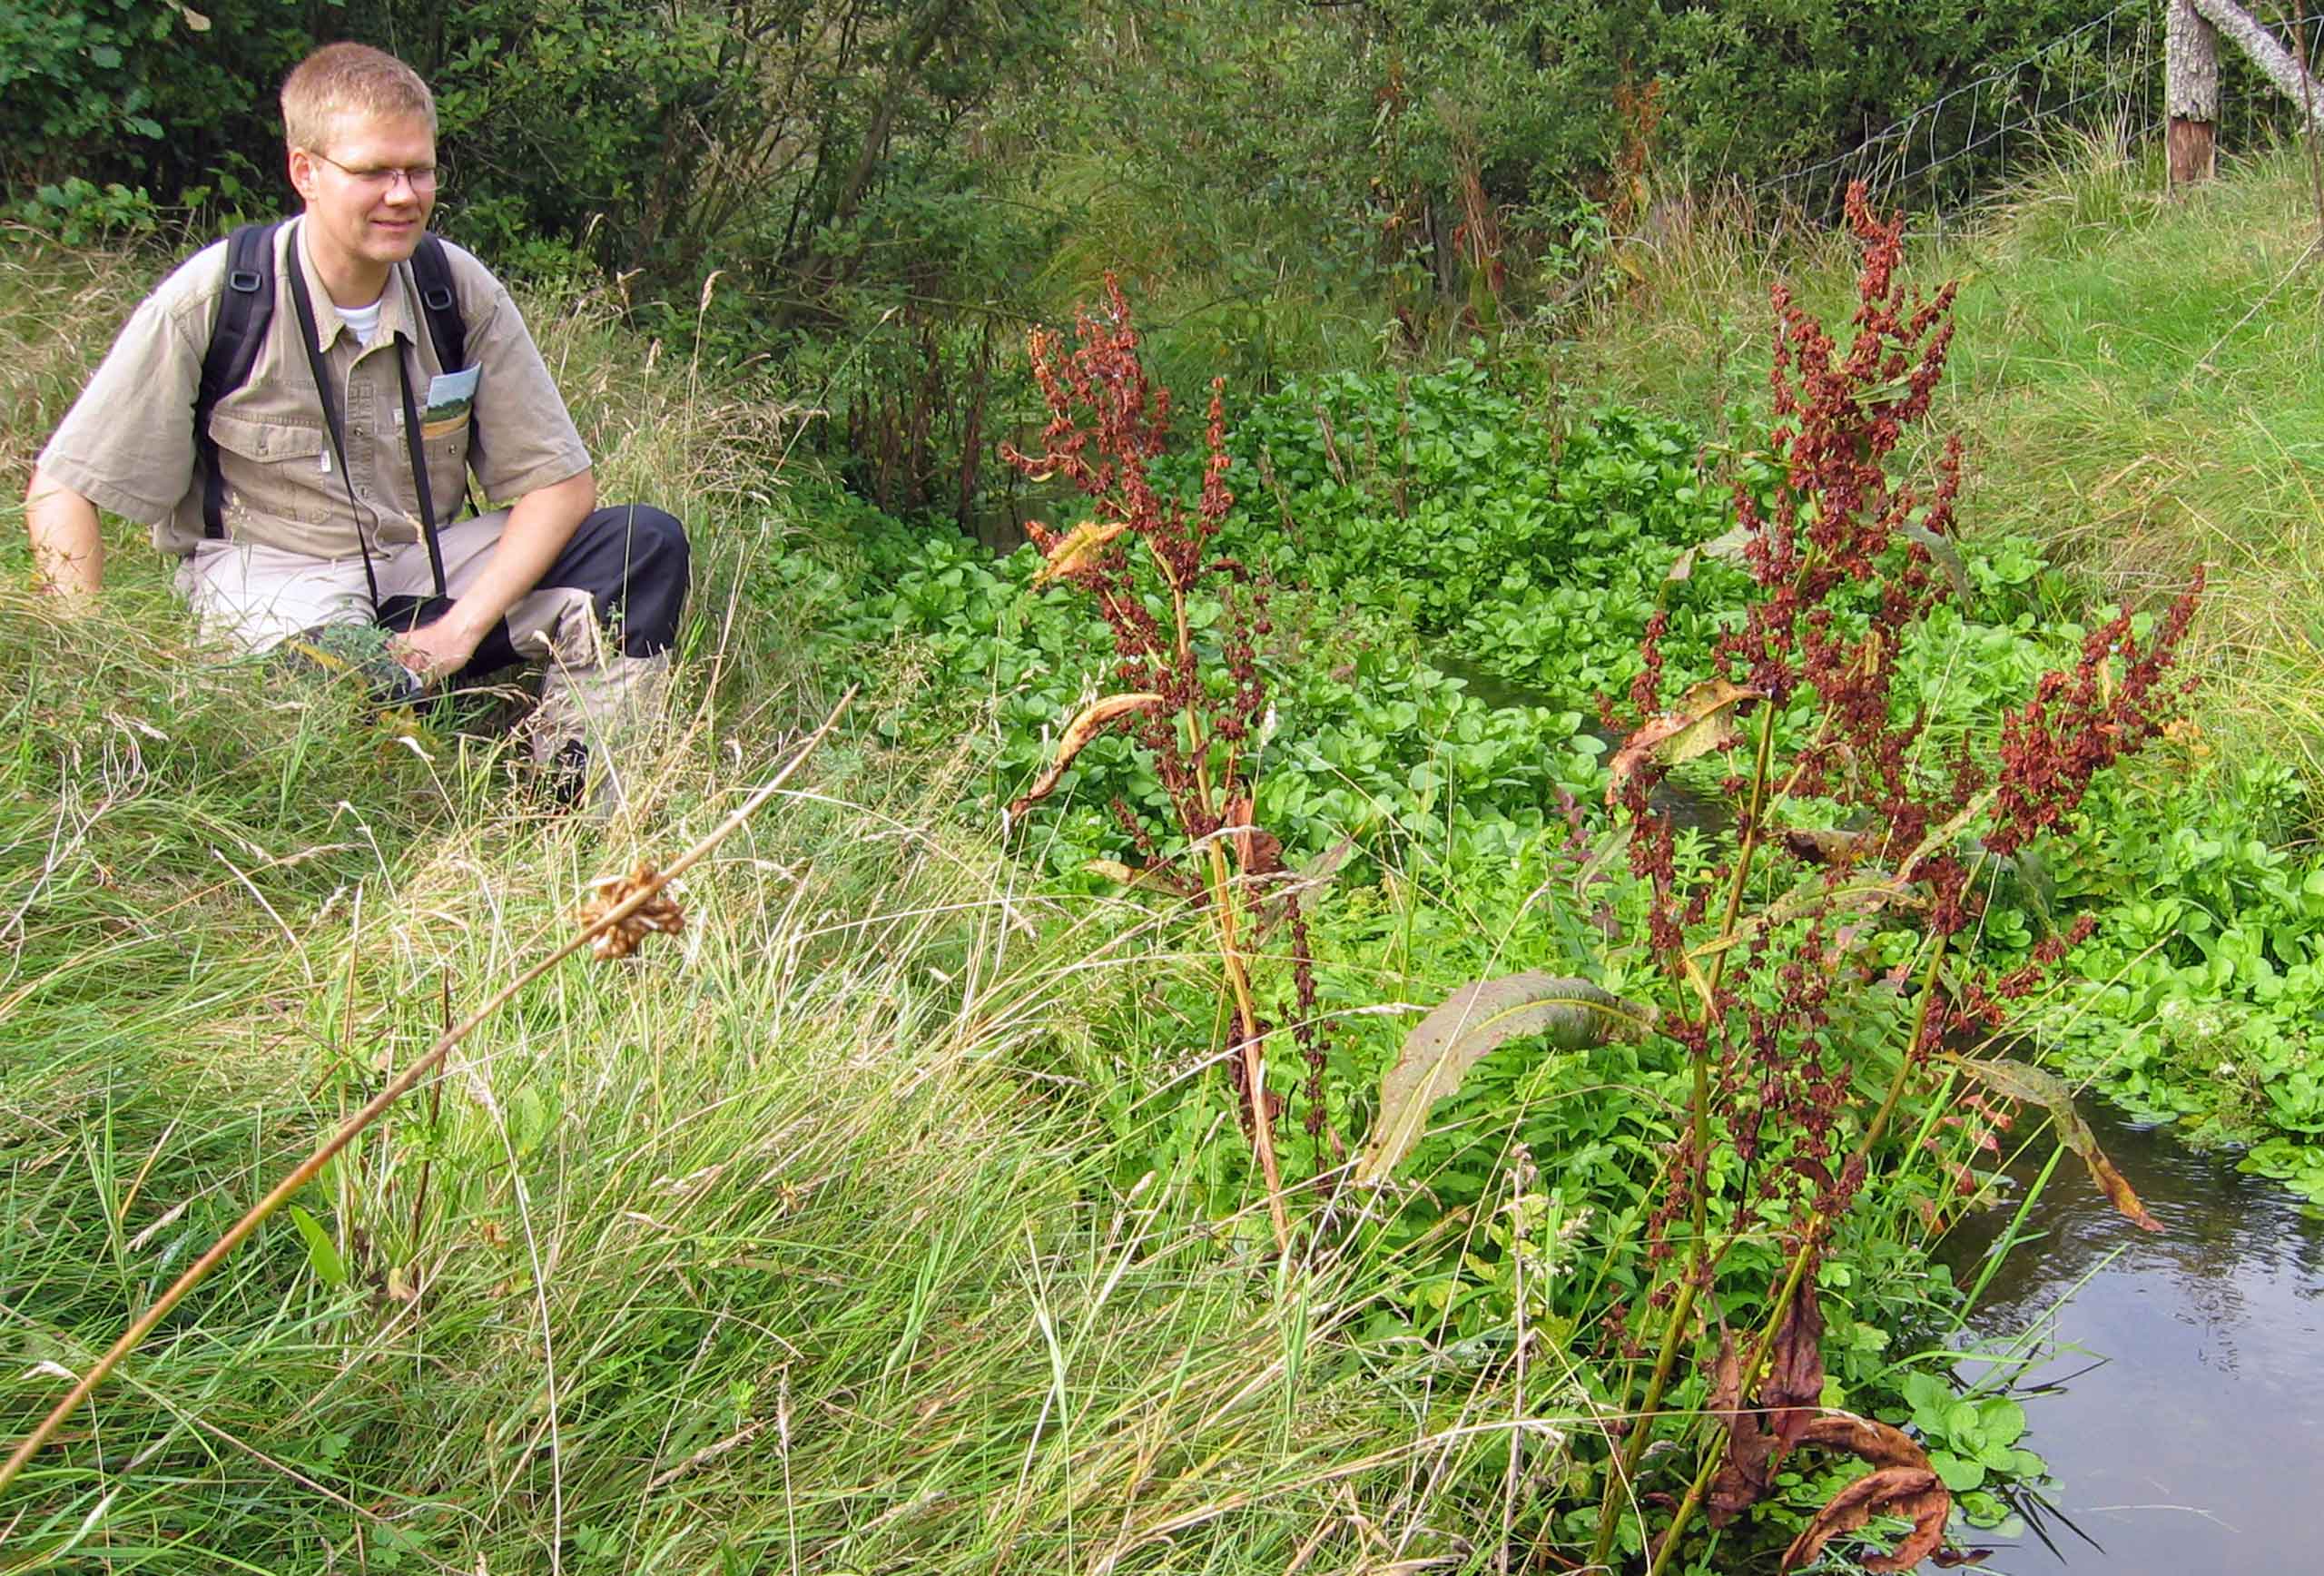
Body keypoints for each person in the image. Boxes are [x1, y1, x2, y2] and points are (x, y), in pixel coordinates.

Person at [25, 41, 688, 800]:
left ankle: (575, 813)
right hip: (273, 584)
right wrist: (86, 667)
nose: (403, 194)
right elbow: (65, 486)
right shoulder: (218, 297)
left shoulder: (453, 287)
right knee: (333, 683)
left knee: (643, 545)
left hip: (421, 570)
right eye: (374, 171)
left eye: (419, 170)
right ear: (305, 171)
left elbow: (560, 487)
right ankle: (351, 764)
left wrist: (460, 630)